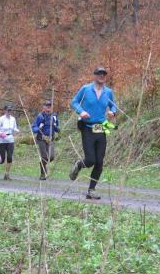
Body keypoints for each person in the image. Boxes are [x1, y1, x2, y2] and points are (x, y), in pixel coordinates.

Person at [69, 66, 118, 199]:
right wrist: (81, 111)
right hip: (87, 127)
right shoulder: (86, 89)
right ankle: (79, 164)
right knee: (90, 160)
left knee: (99, 162)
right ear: (95, 75)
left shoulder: (108, 92)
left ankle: (91, 190)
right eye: (99, 73)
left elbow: (114, 105)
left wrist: (112, 112)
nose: (102, 76)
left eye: (104, 74)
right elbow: (74, 102)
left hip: (100, 127)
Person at [0, 104, 20, 180]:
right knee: (1, 160)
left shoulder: (13, 119)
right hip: (1, 140)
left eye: (10, 110)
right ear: (5, 111)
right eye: (8, 110)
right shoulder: (1, 119)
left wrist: (17, 131)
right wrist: (0, 134)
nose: (9, 112)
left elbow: (14, 128)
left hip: (10, 139)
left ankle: (7, 174)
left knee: (9, 157)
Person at [32, 99, 59, 180]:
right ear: (44, 107)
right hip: (41, 139)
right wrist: (39, 128)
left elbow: (57, 128)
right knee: (44, 156)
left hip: (50, 139)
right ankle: (42, 174)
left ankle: (43, 165)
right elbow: (34, 128)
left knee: (51, 157)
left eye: (50, 105)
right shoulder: (40, 116)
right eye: (47, 105)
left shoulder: (54, 116)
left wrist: (56, 127)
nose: (48, 107)